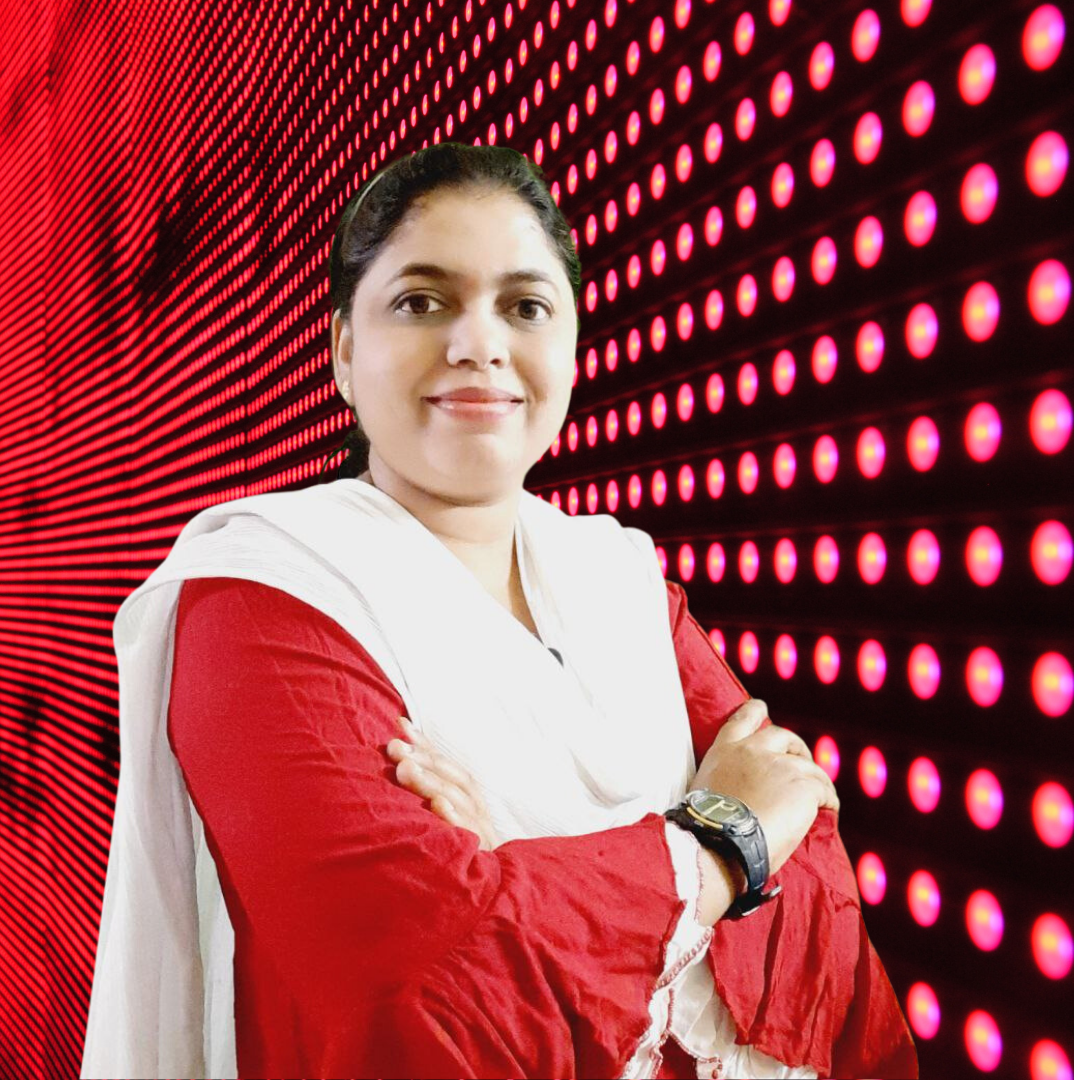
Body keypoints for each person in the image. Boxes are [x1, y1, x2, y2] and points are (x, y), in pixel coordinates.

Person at [80, 143, 917, 1079]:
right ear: (345, 352)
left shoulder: (623, 582)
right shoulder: (261, 599)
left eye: (525, 307)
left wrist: (518, 872)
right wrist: (723, 846)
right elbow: (414, 982)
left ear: (571, 346)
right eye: (421, 301)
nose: (478, 344)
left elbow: (816, 879)